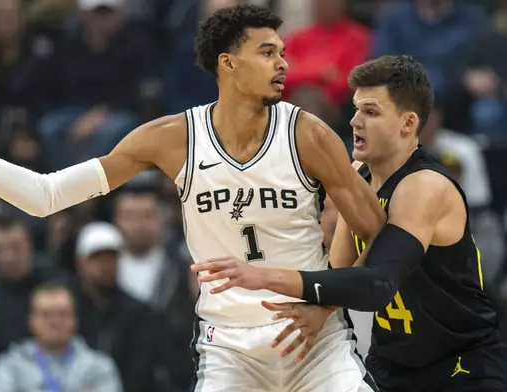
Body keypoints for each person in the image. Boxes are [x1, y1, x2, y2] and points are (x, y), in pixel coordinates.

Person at [0, 5, 385, 391]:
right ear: (229, 63)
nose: (283, 63)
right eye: (267, 52)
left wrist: (327, 302)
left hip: (316, 344)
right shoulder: (171, 139)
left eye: (282, 52)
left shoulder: (306, 133)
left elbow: (376, 233)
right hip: (230, 349)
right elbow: (46, 195)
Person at [194, 55, 507, 392]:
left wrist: (263, 277)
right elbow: (340, 267)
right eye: (356, 109)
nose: (355, 121)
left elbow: (377, 285)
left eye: (371, 112)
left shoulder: (424, 186)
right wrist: (310, 313)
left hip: (460, 365)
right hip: (391, 365)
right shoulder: (358, 175)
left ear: (408, 123)